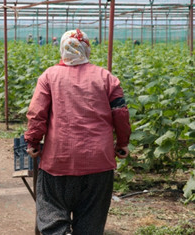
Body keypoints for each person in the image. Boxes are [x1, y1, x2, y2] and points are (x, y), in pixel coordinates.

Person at [24, 29, 131, 235]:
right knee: (91, 223)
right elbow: (120, 113)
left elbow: (37, 114)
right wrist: (122, 143)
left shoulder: (49, 76)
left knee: (53, 218)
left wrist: (33, 143)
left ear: (62, 49)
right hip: (98, 164)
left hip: (58, 162)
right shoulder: (106, 77)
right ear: (86, 49)